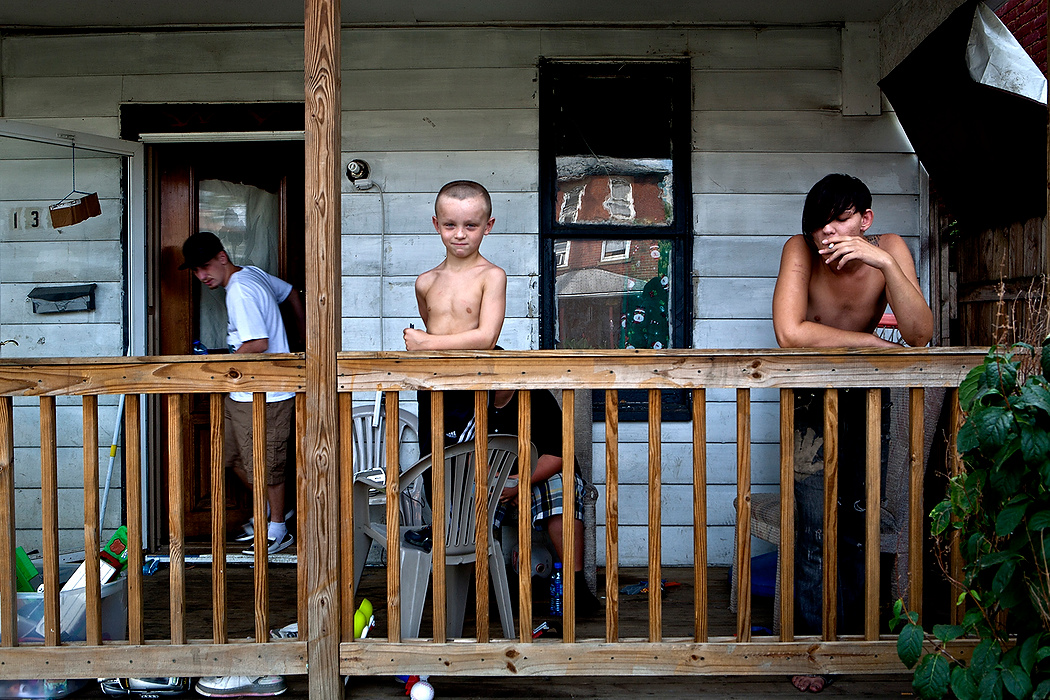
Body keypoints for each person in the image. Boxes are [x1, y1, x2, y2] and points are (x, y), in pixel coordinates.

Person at [772, 174, 933, 693]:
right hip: (811, 402)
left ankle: (860, 640)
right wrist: (870, 343)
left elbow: (920, 333)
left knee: (864, 524)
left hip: (869, 400)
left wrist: (884, 262)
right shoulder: (800, 248)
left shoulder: (888, 248)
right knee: (814, 528)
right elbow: (790, 332)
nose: (828, 232)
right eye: (820, 222)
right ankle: (812, 647)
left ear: (865, 219)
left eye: (840, 220)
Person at [179, 230, 305, 557]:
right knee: (232, 457)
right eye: (195, 271)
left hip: (267, 395)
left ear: (223, 257)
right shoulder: (252, 275)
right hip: (243, 394)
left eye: (205, 267)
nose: (201, 276)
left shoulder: (240, 291)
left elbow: (258, 344)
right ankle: (274, 510)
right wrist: (304, 337)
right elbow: (290, 292)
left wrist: (219, 365)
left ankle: (278, 529)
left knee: (267, 464)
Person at [402, 180, 507, 549]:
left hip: (472, 392)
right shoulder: (425, 282)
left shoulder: (491, 277)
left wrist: (426, 343)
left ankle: (476, 540)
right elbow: (428, 335)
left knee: (468, 468)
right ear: (436, 224)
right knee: (434, 467)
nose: (459, 234)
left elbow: (485, 337)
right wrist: (425, 345)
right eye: (450, 225)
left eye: (471, 225)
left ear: (488, 226)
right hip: (432, 391)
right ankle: (444, 537)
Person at [488, 388, 603, 618]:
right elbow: (468, 455)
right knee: (471, 498)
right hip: (495, 479)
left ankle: (575, 586)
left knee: (562, 488)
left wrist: (521, 484)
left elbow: (557, 456)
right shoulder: (468, 402)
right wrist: (502, 484)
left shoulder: (537, 397)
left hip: (541, 473)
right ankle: (490, 588)